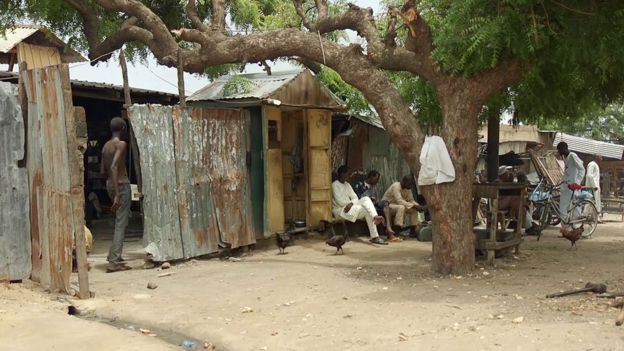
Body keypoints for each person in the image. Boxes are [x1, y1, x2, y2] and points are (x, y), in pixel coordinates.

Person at [101, 117, 132, 272]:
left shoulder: (105, 146)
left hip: (110, 184)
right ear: (123, 128)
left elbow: (102, 171)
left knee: (119, 220)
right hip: (121, 185)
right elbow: (113, 167)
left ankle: (113, 254)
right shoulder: (121, 144)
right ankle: (113, 261)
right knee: (121, 222)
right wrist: (118, 194)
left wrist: (112, 190)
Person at [332, 166, 388, 245]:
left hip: (350, 207)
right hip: (341, 211)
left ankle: (375, 233)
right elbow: (340, 202)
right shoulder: (334, 185)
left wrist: (351, 203)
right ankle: (375, 228)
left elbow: (355, 198)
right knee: (366, 208)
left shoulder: (347, 185)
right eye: (348, 174)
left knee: (366, 199)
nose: (349, 176)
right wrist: (351, 203)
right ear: (342, 174)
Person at [352, 170, 400, 242]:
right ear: (371, 177)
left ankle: (388, 228)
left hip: (373, 204)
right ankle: (389, 233)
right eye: (376, 179)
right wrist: (370, 199)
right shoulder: (359, 185)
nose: (377, 181)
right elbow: (358, 198)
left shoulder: (374, 187)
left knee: (386, 204)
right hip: (363, 205)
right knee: (379, 208)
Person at [557, 142, 586, 232]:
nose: (559, 152)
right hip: (566, 186)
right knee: (567, 208)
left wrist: (576, 183)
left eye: (560, 150)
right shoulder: (564, 157)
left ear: (565, 148)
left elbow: (582, 169)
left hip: (572, 186)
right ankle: (569, 229)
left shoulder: (573, 155)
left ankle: (572, 229)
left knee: (569, 207)